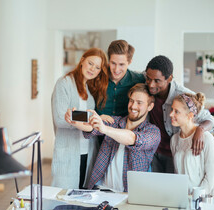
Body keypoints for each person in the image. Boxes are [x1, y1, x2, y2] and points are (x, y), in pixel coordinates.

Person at [66, 83, 160, 192]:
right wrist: (73, 118)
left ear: (150, 106)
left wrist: (104, 129)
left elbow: (133, 139)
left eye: (139, 103)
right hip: (100, 189)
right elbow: (90, 126)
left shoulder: (153, 132)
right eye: (131, 101)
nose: (133, 106)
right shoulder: (114, 121)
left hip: (129, 195)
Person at [145, 55, 214, 173]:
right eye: (148, 79)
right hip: (154, 151)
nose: (151, 84)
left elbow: (210, 119)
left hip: (173, 154)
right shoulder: (147, 84)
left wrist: (201, 130)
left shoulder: (183, 96)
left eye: (157, 81)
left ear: (169, 78)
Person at [51, 48, 109, 189]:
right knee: (64, 196)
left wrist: (87, 119)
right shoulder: (64, 83)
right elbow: (60, 118)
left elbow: (74, 117)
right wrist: (95, 118)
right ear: (82, 60)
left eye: (97, 68)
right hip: (69, 152)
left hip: (88, 152)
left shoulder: (89, 88)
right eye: (90, 63)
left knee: (82, 197)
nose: (92, 69)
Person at [170, 93, 214, 196]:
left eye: (176, 111)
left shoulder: (207, 138)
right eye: (172, 109)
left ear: (190, 115)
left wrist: (195, 198)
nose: (171, 114)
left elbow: (211, 178)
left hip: (211, 197)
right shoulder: (174, 140)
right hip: (188, 199)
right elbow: (178, 174)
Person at [95, 40, 145, 118]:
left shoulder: (139, 80)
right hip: (98, 125)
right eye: (113, 63)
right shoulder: (97, 76)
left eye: (121, 64)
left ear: (129, 62)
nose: (116, 69)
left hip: (124, 128)